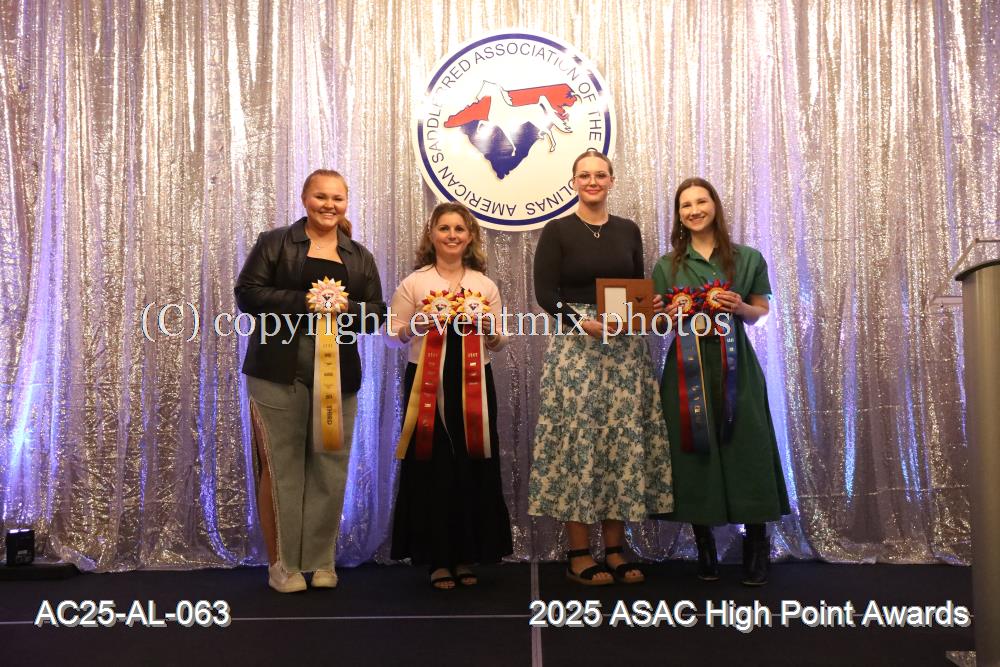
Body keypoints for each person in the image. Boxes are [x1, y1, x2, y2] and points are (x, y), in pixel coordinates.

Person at [235, 169, 386, 592]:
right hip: (276, 372)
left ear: (346, 203)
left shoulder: (359, 256)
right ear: (305, 198)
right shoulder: (274, 242)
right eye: (321, 196)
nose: (329, 205)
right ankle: (282, 564)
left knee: (329, 468)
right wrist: (306, 301)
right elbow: (247, 294)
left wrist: (345, 308)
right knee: (281, 469)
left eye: (337, 198)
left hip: (338, 377)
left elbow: (376, 314)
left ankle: (321, 562)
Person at [528, 149, 673, 586]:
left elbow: (635, 288)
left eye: (600, 175)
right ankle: (578, 553)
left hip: (624, 349)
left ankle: (614, 550)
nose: (592, 181)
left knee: (620, 442)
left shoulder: (628, 230)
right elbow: (545, 294)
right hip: (577, 348)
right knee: (579, 443)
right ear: (573, 182)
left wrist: (650, 306)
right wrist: (581, 322)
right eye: (584, 175)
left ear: (611, 180)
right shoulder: (557, 231)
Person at [651, 177, 789, 586]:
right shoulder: (667, 266)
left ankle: (756, 544)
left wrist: (741, 306)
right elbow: (658, 324)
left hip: (737, 366)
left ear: (715, 206)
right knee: (694, 450)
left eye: (701, 201)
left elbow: (761, 311)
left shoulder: (748, 258)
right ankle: (704, 545)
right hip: (685, 371)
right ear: (678, 216)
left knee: (748, 448)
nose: (694, 210)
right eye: (685, 205)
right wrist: (665, 316)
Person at [387, 202, 513, 589]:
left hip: (475, 383)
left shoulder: (484, 285)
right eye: (444, 228)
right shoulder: (414, 283)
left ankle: (465, 555)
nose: (452, 235)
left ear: (470, 236)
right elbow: (392, 334)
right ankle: (437, 559)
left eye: (460, 228)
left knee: (472, 462)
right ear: (431, 235)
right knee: (433, 465)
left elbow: (500, 340)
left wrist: (490, 330)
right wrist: (416, 325)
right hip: (426, 383)